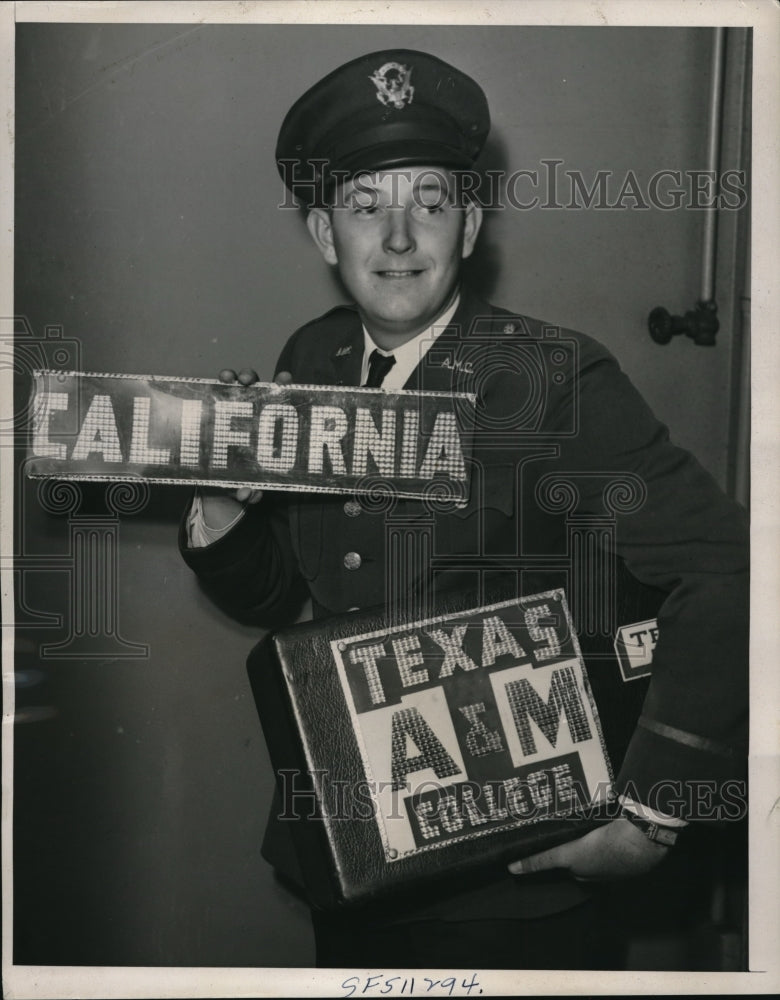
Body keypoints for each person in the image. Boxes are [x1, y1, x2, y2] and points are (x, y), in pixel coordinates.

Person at [180, 49, 748, 969]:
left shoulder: (554, 379)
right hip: (351, 848)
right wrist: (221, 505)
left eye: (431, 204)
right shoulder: (314, 359)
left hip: (508, 885)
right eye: (366, 206)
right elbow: (286, 600)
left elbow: (729, 569)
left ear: (471, 225)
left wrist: (654, 814)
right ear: (325, 233)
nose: (399, 238)